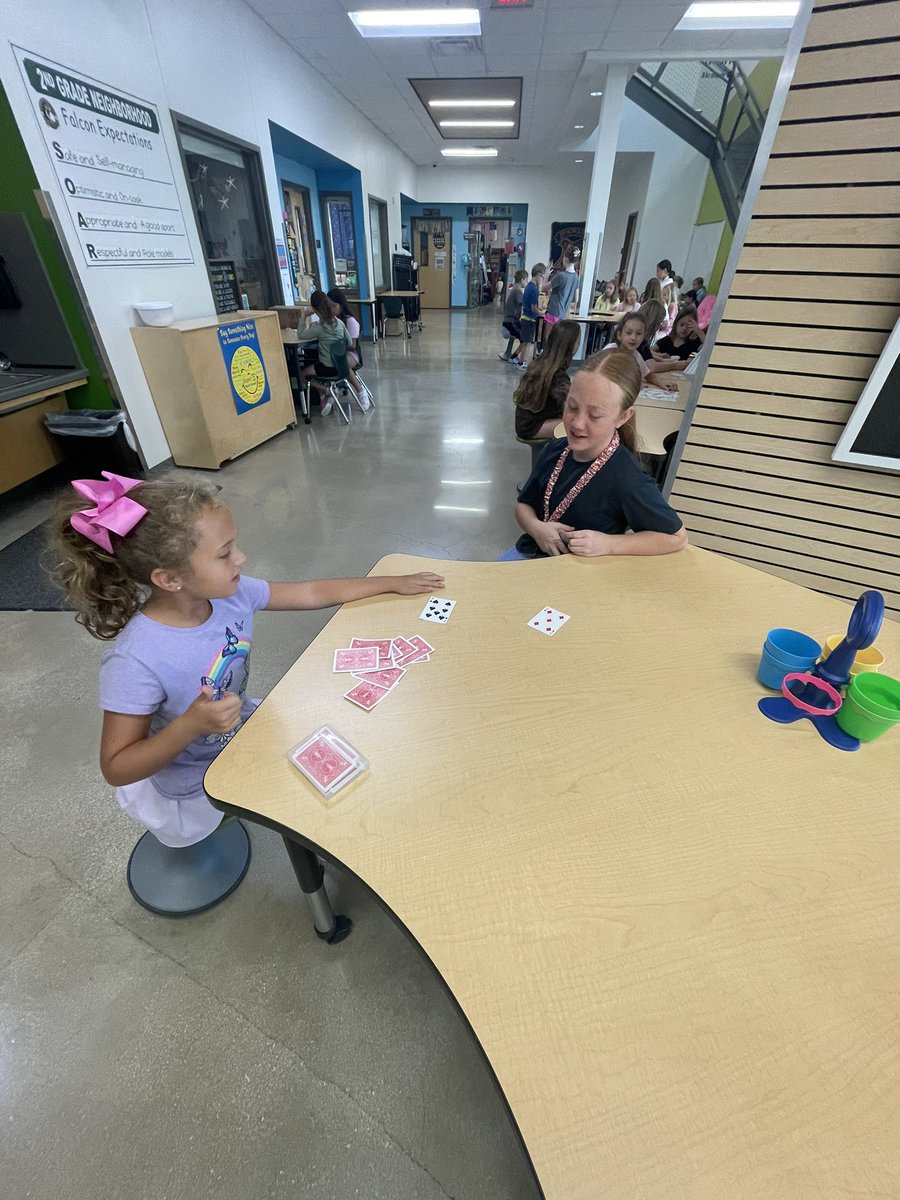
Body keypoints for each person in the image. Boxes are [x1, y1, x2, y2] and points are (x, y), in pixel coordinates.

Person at [51, 473, 444, 848]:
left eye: (233, 546)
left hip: (241, 732)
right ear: (169, 579)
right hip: (191, 780)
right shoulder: (136, 661)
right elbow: (117, 767)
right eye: (224, 554)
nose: (241, 558)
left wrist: (391, 582)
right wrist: (190, 724)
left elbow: (309, 592)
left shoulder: (231, 594)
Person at [510, 351, 687, 558]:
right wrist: (536, 529)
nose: (577, 423)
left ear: (623, 417)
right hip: (533, 557)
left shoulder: (625, 477)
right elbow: (524, 505)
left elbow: (677, 537)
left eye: (595, 415)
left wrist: (609, 544)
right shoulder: (554, 450)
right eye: (572, 407)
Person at [297, 290, 368, 415]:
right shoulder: (340, 324)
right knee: (337, 362)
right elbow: (347, 341)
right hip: (338, 363)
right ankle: (326, 395)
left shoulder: (320, 328)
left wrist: (303, 316)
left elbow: (301, 334)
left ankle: (327, 391)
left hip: (335, 363)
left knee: (303, 374)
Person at [514, 319, 580, 441]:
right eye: (578, 342)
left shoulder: (541, 363)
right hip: (529, 427)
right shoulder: (558, 375)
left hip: (524, 421)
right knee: (576, 426)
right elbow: (568, 408)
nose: (579, 345)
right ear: (570, 345)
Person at [606, 309, 678, 392]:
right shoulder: (610, 350)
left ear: (644, 336)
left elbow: (649, 375)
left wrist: (663, 383)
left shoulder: (636, 355)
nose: (633, 338)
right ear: (619, 335)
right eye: (628, 333)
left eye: (639, 334)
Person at [517, 262, 545, 370]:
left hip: (526, 317)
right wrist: (542, 313)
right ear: (538, 275)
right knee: (526, 343)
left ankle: (521, 361)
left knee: (526, 342)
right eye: (542, 277)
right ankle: (521, 363)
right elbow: (534, 308)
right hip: (529, 318)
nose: (542, 280)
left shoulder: (530, 286)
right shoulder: (533, 289)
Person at [542, 248, 578, 326]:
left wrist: (546, 275)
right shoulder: (576, 277)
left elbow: (543, 288)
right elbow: (576, 299)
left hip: (554, 312)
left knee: (548, 337)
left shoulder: (561, 275)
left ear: (566, 258)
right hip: (565, 314)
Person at [499, 268, 528, 363]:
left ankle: (507, 353)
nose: (527, 282)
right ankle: (513, 357)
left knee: (520, 331)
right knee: (525, 338)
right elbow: (524, 304)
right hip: (510, 322)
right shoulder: (517, 292)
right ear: (522, 279)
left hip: (508, 321)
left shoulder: (514, 290)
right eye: (526, 280)